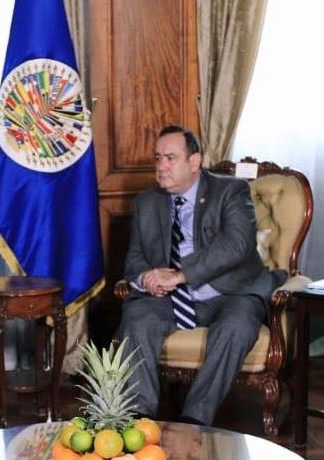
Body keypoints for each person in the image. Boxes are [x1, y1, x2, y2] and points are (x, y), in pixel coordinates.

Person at [117, 125, 285, 425]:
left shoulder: (231, 191)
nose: (161, 166)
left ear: (194, 162)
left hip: (229, 293)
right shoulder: (146, 202)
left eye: (170, 158)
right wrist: (149, 277)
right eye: (157, 158)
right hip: (169, 298)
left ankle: (194, 421)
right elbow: (134, 260)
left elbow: (236, 245)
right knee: (137, 317)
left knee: (236, 327)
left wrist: (180, 275)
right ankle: (141, 419)